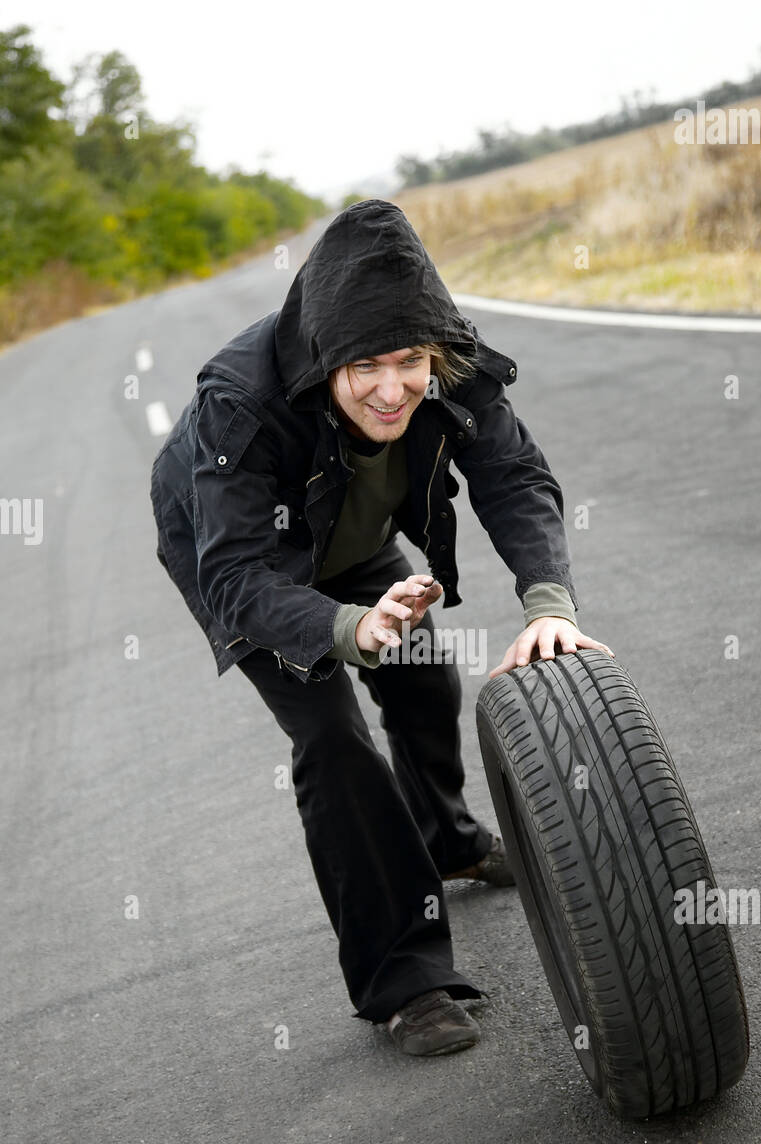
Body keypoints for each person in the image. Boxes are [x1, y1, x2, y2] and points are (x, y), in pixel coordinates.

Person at [150, 199, 613, 1058]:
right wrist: (347, 626)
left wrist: (550, 605)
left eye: (410, 362)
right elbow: (236, 576)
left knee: (422, 674)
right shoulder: (239, 403)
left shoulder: (449, 355)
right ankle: (404, 980)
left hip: (353, 535)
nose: (394, 387)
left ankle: (449, 840)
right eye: (367, 366)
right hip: (248, 556)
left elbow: (513, 476)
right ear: (328, 354)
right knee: (333, 737)